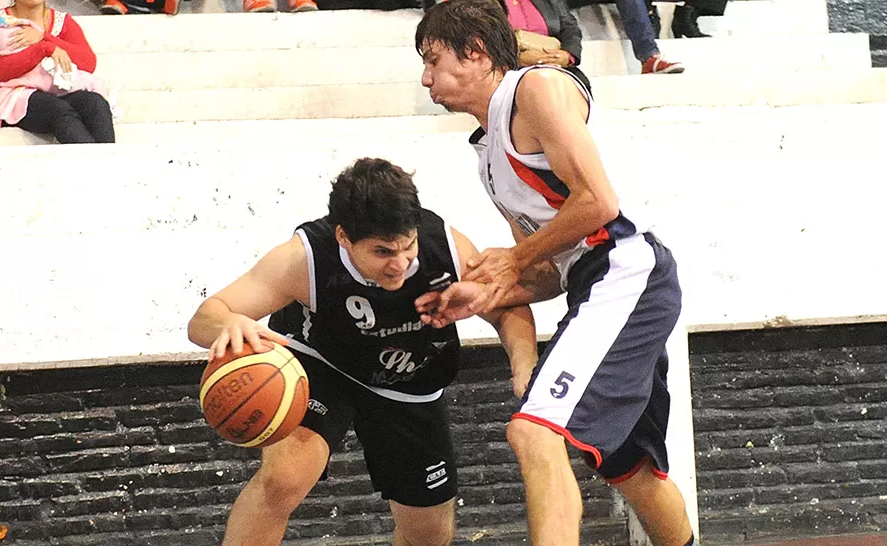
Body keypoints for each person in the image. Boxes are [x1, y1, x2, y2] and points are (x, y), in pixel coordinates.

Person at [414, 1, 695, 545]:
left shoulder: (534, 89)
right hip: (596, 280)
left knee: (532, 430)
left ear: (474, 52)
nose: (425, 78)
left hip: (625, 269)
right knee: (626, 466)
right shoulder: (487, 150)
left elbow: (598, 204)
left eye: (432, 60)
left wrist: (513, 260)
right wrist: (490, 289)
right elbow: (552, 269)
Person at [187, 157, 538, 546]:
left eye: (408, 246)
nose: (400, 263)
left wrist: (525, 368)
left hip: (410, 379)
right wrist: (230, 323)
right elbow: (204, 319)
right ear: (343, 237)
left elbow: (506, 309)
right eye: (383, 252)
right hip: (322, 365)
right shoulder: (303, 260)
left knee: (429, 535)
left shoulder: (447, 248)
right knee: (285, 479)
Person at [0, 0, 115, 143]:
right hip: (8, 95)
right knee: (57, 110)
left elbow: (88, 63)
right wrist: (43, 49)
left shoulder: (62, 21)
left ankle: (108, 164)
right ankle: (98, 166)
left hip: (54, 90)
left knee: (95, 103)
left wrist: (43, 37)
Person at [496, 0, 593, 94]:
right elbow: (486, 38)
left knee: (578, 87)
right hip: (506, 70)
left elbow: (569, 26)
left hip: (554, 64)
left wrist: (567, 55)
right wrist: (516, 59)